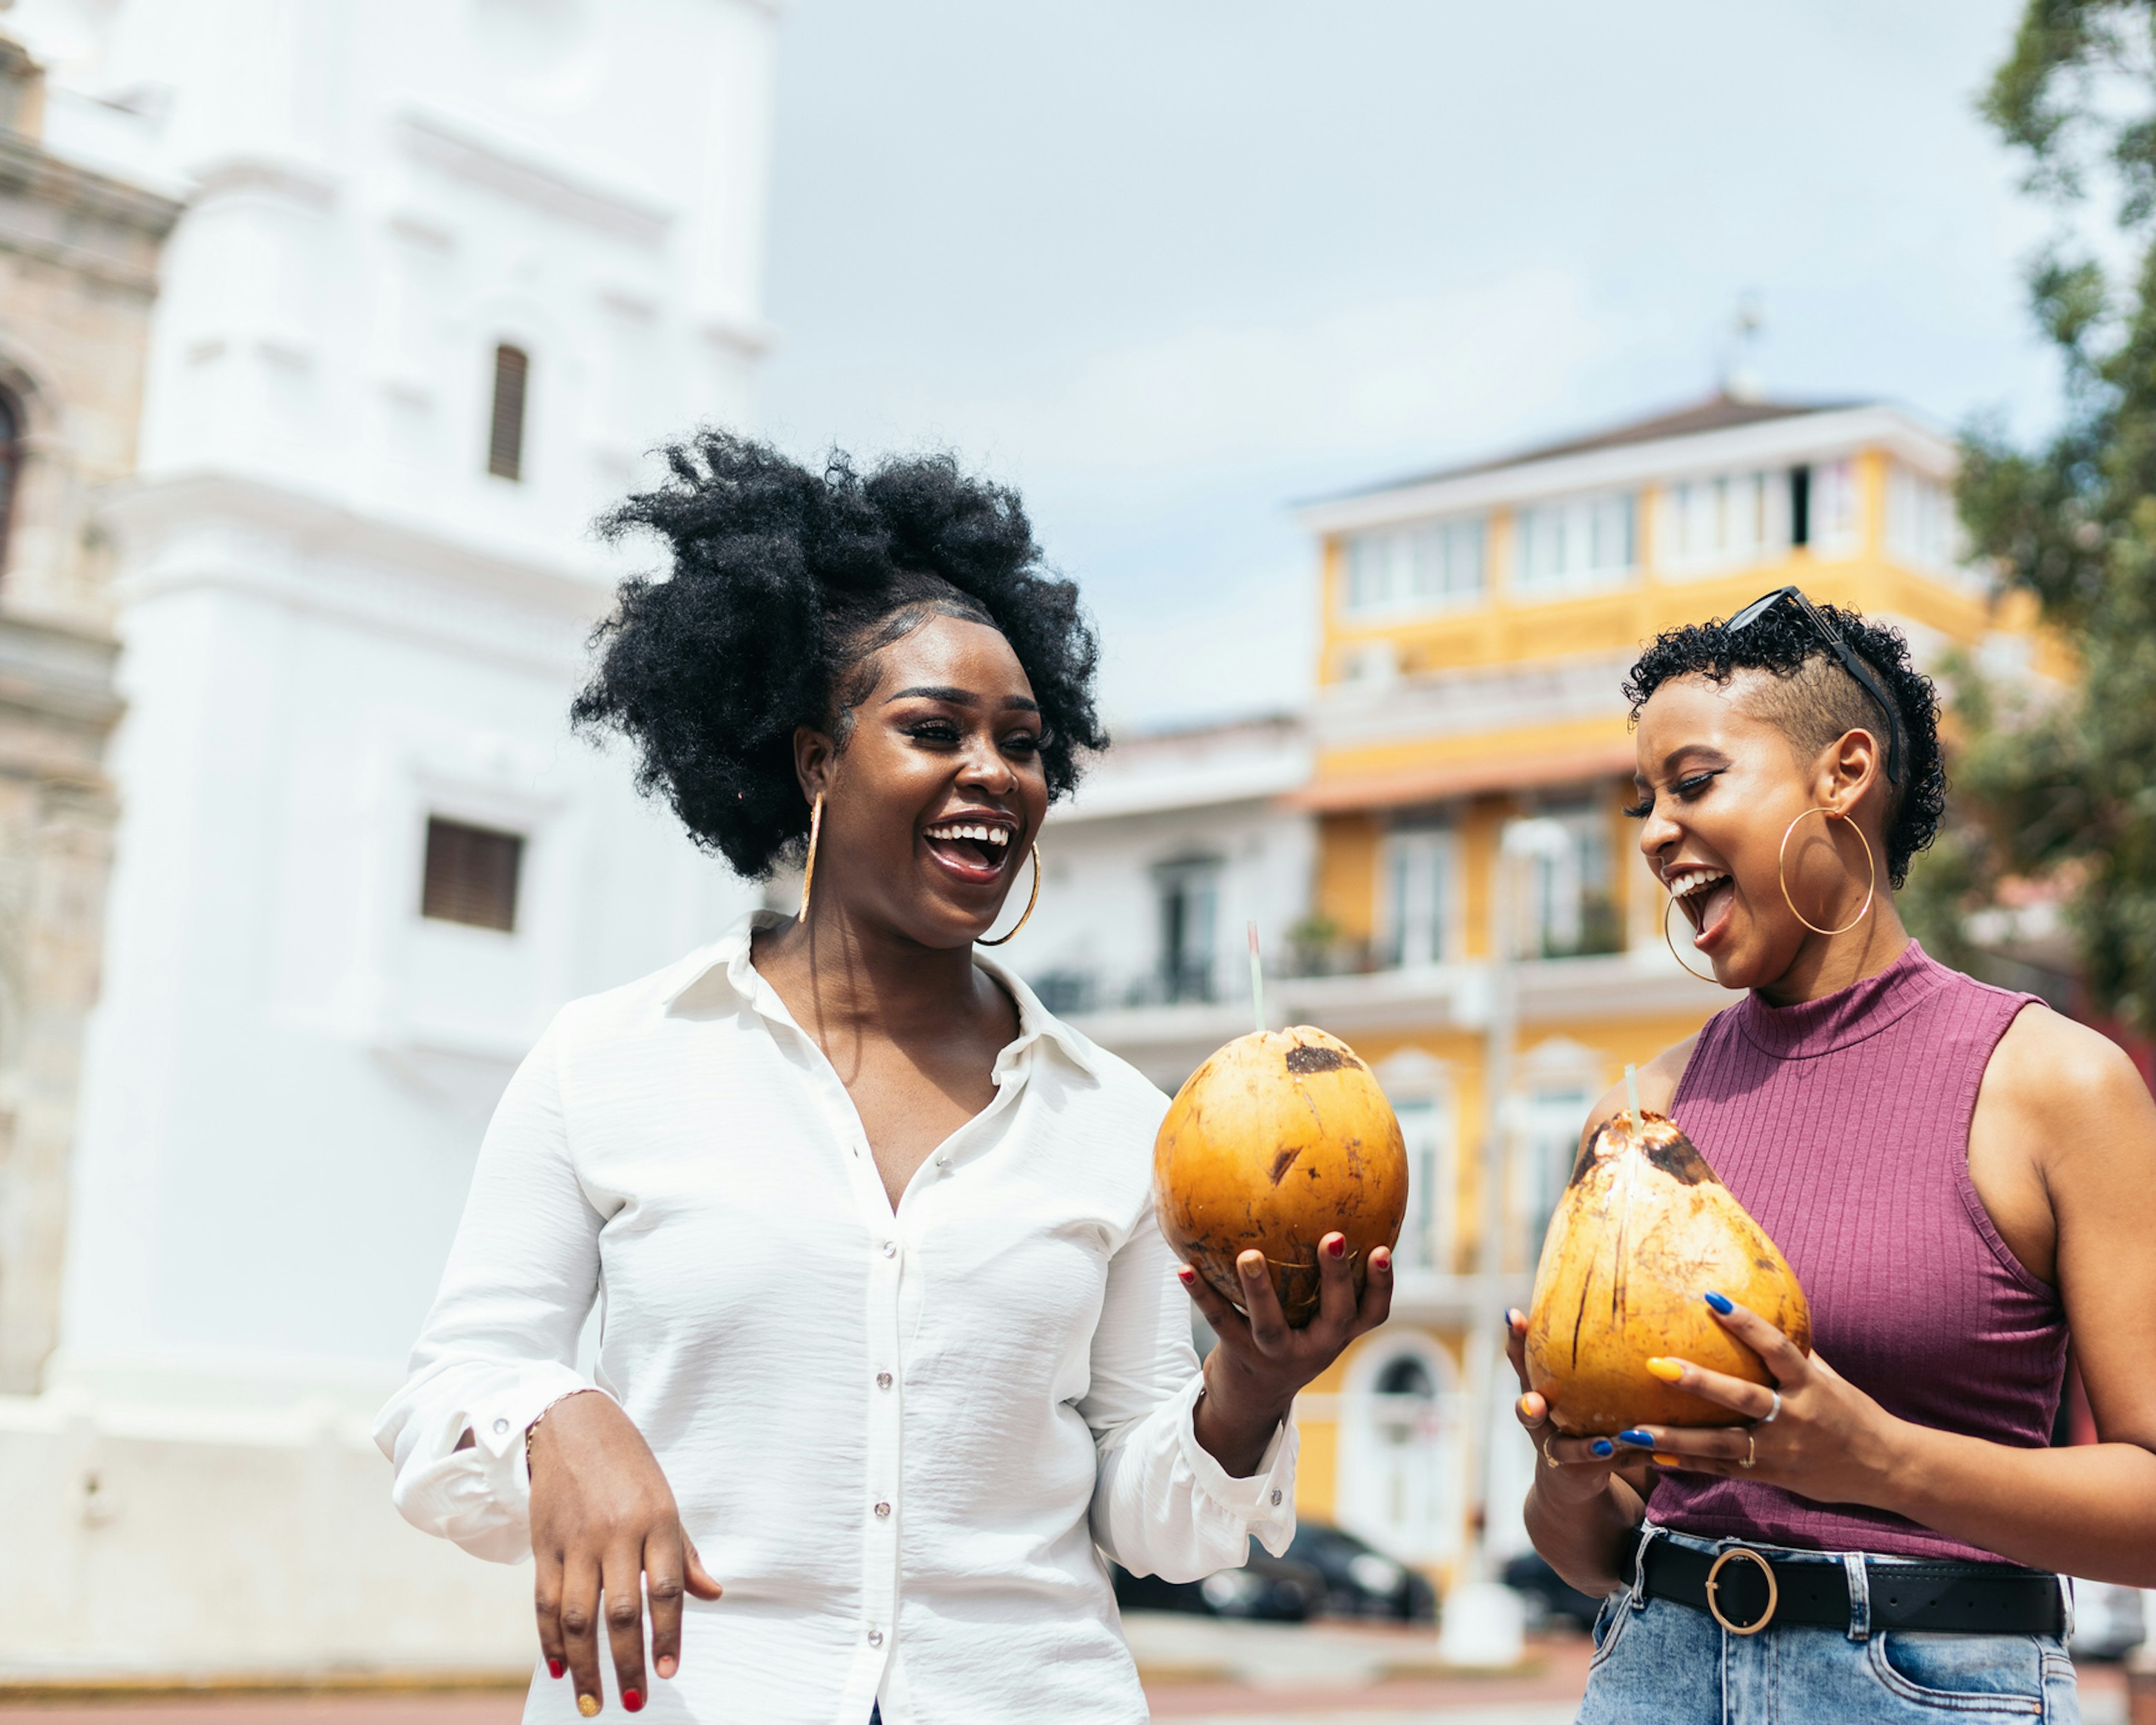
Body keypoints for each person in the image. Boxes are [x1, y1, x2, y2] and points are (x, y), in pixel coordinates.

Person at [373, 434, 1392, 1724]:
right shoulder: (609, 1062)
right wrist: (556, 1412)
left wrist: (1252, 1384)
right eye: (933, 730)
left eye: (1022, 744)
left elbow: (1153, 1520)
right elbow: (445, 1393)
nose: (992, 772)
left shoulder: (1123, 1123)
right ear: (813, 763)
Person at [1507, 588, 2156, 1722]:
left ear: (1843, 773)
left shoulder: (2054, 1085)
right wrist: (1566, 1472)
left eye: (1695, 784)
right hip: (1652, 1670)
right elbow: (1593, 1549)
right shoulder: (1638, 1118)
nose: (1655, 832)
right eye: (1644, 801)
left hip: (1924, 1685)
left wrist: (1879, 1461)